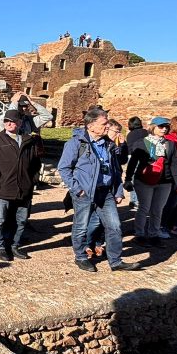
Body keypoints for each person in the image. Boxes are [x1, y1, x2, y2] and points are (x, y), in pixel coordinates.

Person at [57, 108, 140, 273]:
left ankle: (115, 261)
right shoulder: (75, 143)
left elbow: (115, 170)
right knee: (81, 226)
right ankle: (81, 257)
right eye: (104, 123)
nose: (107, 126)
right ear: (91, 125)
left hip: (106, 192)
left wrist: (118, 191)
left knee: (115, 226)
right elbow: (64, 168)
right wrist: (77, 189)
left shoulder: (109, 144)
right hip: (84, 193)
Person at [0, 109, 43, 261]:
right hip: (3, 187)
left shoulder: (29, 140)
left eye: (13, 121)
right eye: (6, 121)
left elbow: (36, 163)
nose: (9, 123)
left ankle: (14, 245)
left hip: (24, 188)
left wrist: (32, 180)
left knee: (20, 220)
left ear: (20, 123)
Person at [125, 116, 177, 247]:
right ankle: (140, 234)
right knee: (144, 208)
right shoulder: (141, 143)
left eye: (166, 127)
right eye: (161, 126)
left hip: (165, 181)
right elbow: (133, 163)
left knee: (157, 209)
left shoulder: (170, 144)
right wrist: (128, 179)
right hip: (144, 180)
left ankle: (154, 234)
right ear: (153, 127)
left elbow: (174, 164)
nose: (164, 129)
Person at [85, 118, 129, 259]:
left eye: (119, 132)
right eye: (116, 131)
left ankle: (104, 250)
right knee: (92, 219)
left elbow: (121, 162)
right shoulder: (93, 143)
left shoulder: (112, 145)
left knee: (105, 221)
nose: (118, 134)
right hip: (91, 187)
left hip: (108, 186)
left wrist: (123, 145)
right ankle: (87, 244)